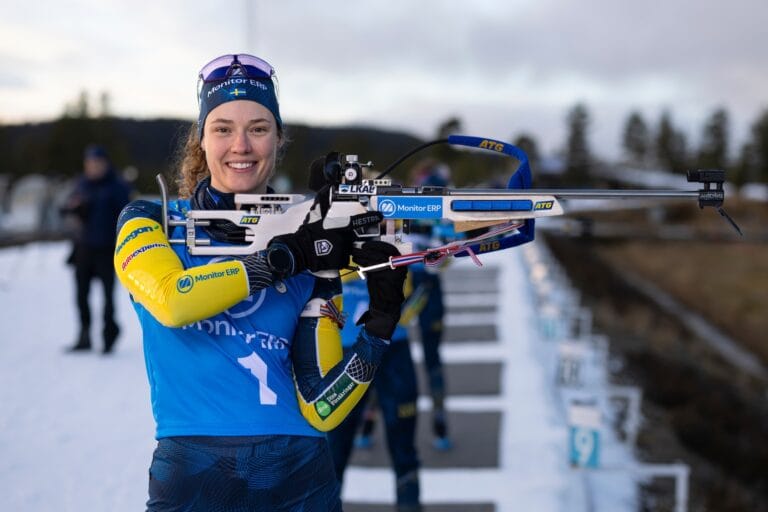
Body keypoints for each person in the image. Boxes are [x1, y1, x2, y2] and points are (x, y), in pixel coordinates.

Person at [113, 53, 407, 511]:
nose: (242, 145)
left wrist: (379, 326)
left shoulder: (313, 237)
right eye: (224, 128)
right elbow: (173, 301)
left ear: (278, 139)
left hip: (299, 474)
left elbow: (321, 408)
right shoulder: (151, 220)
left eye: (259, 128)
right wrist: (285, 258)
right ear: (202, 139)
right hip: (194, 473)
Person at [327, 272, 422, 512]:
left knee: (403, 446)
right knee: (334, 449)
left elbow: (427, 268)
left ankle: (409, 505)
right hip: (344, 351)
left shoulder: (395, 234)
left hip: (393, 350)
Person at [61, 144, 131, 353]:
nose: (93, 167)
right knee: (81, 295)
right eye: (89, 163)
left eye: (97, 163)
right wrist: (72, 210)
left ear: (105, 164)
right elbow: (69, 207)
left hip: (108, 248)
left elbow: (126, 216)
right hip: (83, 248)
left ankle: (110, 334)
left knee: (108, 297)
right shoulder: (81, 184)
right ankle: (84, 336)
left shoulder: (117, 186)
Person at [408, 159, 453, 450]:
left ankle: (440, 423)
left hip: (424, 286)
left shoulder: (445, 215)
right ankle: (368, 421)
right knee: (381, 353)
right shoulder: (397, 207)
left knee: (432, 358)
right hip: (400, 285)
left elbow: (447, 259)